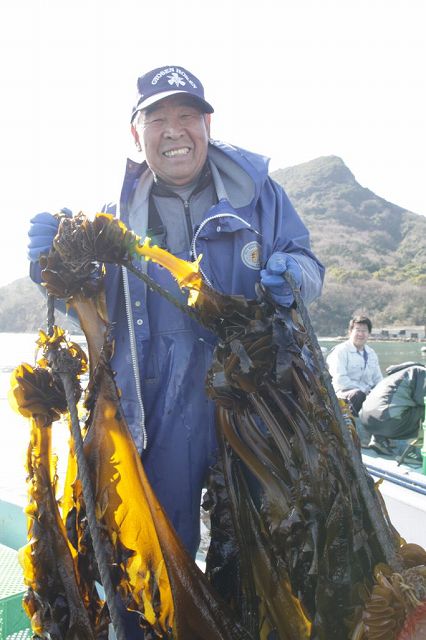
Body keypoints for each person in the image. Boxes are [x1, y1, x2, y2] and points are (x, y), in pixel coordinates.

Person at [27, 65, 324, 562]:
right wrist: (54, 270)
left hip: (255, 403)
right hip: (157, 412)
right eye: (156, 118)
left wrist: (294, 273)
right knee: (163, 561)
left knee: (270, 553)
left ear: (208, 125)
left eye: (187, 115)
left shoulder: (262, 198)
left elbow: (310, 270)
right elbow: (93, 317)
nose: (173, 131)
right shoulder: (112, 216)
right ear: (135, 135)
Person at [359, 362, 426, 459]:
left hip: (367, 422)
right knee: (421, 410)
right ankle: (413, 454)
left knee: (393, 408)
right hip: (389, 422)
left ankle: (378, 440)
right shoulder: (422, 373)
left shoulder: (399, 373)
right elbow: (423, 399)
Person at [326, 315, 382, 417]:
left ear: (369, 333)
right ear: (350, 332)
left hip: (367, 395)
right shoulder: (340, 351)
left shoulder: (371, 353)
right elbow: (340, 380)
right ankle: (353, 428)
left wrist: (377, 392)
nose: (361, 334)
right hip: (342, 396)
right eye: (357, 330)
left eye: (364, 331)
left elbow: (378, 380)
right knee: (358, 395)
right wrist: (365, 392)